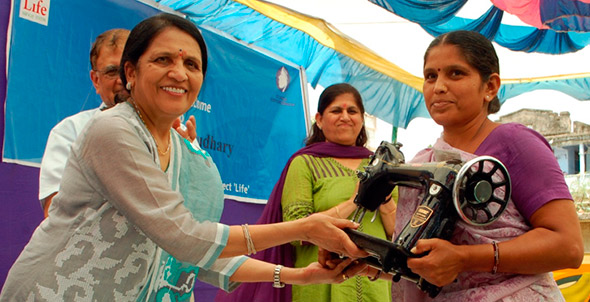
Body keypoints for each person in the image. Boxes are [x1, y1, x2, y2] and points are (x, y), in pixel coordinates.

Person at [0, 13, 369, 302]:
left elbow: (198, 254)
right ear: (132, 71)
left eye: (192, 65)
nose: (178, 72)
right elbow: (185, 236)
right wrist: (304, 228)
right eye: (163, 59)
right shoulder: (111, 130)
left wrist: (297, 276)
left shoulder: (192, 155)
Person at [383, 30, 584, 301]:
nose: (439, 86)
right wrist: (360, 259)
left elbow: (568, 246)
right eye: (431, 76)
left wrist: (464, 258)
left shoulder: (515, 144)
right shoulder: (424, 162)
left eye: (456, 73)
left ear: (490, 86)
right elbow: (423, 260)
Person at [217, 83, 397, 302]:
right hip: (320, 282)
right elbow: (295, 230)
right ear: (319, 120)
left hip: (374, 284)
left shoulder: (381, 165)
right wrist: (355, 201)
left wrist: (384, 195)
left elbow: (395, 233)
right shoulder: (305, 163)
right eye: (336, 110)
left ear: (361, 119)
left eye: (352, 111)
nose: (345, 116)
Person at [38, 28, 197, 218]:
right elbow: (56, 215)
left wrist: (188, 160)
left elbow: (196, 215)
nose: (123, 79)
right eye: (113, 71)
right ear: (96, 80)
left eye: (129, 68)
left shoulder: (178, 135)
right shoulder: (71, 132)